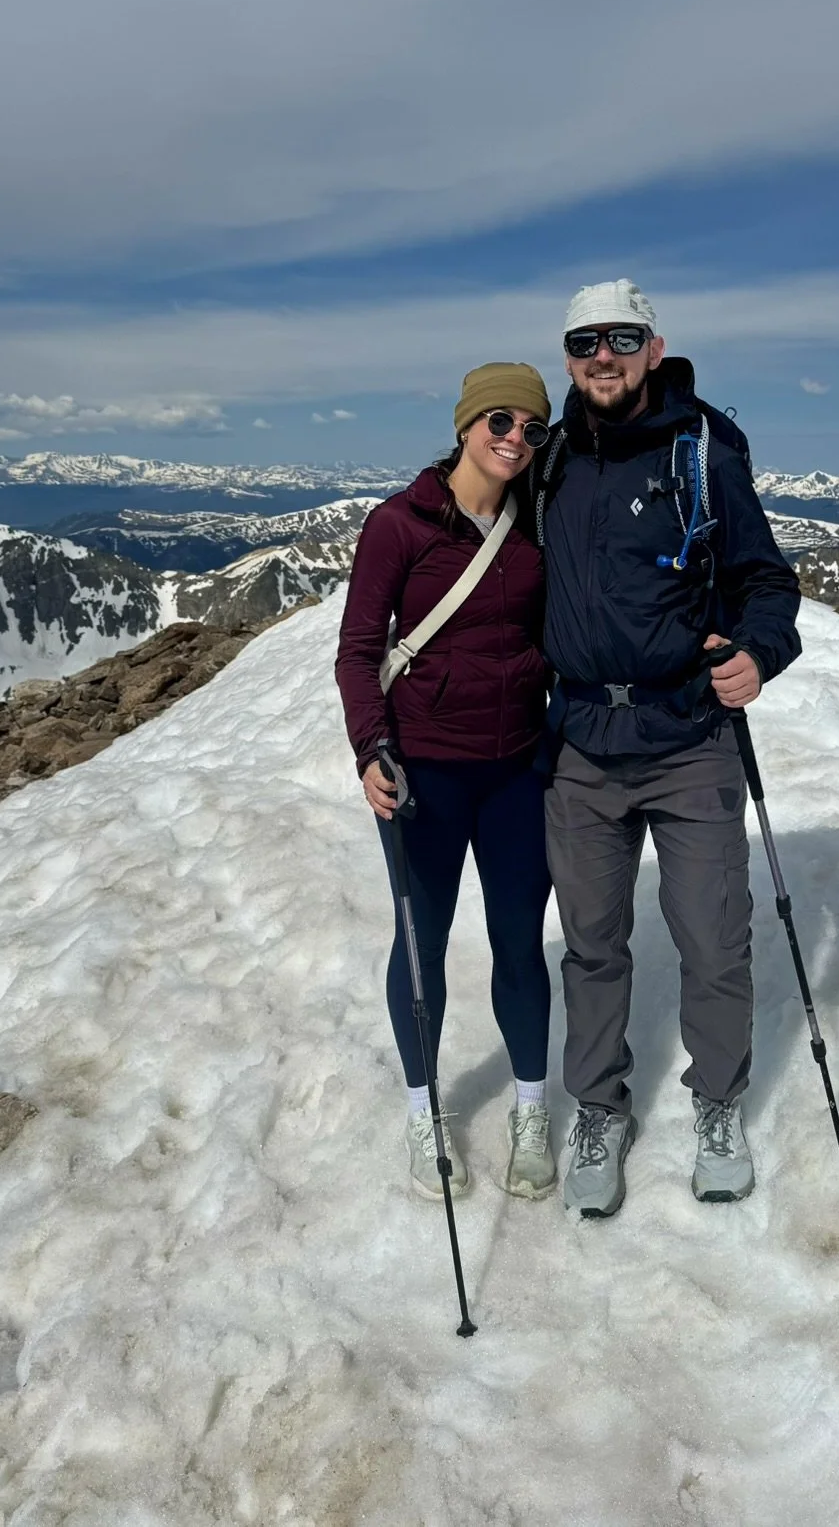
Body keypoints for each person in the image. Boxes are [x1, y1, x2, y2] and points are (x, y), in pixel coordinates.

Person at [527, 280, 801, 1218]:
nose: (602, 355)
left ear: (653, 346)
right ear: (567, 356)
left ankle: (717, 1105)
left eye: (621, 338)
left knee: (713, 939)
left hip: (688, 735)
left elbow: (767, 580)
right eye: (584, 341)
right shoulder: (550, 457)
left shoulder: (702, 450)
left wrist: (758, 655)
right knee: (593, 944)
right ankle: (599, 1107)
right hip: (583, 744)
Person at [335, 363, 558, 1203]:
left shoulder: (536, 523)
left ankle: (530, 1111)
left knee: (516, 943)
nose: (514, 439)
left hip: (517, 771)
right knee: (421, 945)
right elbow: (359, 651)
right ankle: (424, 1109)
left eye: (532, 429)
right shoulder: (398, 526)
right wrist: (370, 749)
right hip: (421, 772)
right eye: (499, 421)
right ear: (466, 424)